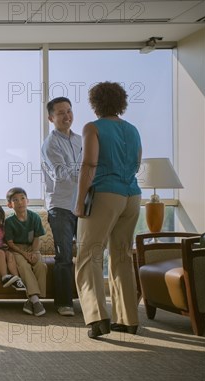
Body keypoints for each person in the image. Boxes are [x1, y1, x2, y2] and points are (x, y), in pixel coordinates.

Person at [73, 81, 142, 339]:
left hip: (105, 194)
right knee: (122, 254)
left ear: (95, 103)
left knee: (88, 255)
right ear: (120, 102)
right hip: (132, 196)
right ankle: (128, 319)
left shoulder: (92, 128)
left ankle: (97, 318)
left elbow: (89, 165)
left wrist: (80, 201)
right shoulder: (133, 130)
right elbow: (136, 163)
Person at [41, 97, 82, 317]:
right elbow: (62, 174)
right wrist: (90, 171)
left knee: (87, 255)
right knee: (64, 256)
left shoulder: (80, 140)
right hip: (61, 207)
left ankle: (86, 300)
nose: (67, 116)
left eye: (69, 111)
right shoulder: (50, 144)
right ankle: (63, 302)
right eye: (60, 113)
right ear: (51, 118)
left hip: (82, 206)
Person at [4, 187, 48, 316]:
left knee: (40, 265)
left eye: (22, 198)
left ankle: (32, 301)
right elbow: (10, 243)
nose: (20, 202)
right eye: (15, 200)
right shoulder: (9, 222)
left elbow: (36, 238)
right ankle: (35, 300)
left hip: (32, 248)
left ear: (27, 201)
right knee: (23, 265)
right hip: (16, 249)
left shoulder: (35, 217)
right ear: (10, 205)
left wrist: (34, 253)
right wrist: (24, 254)